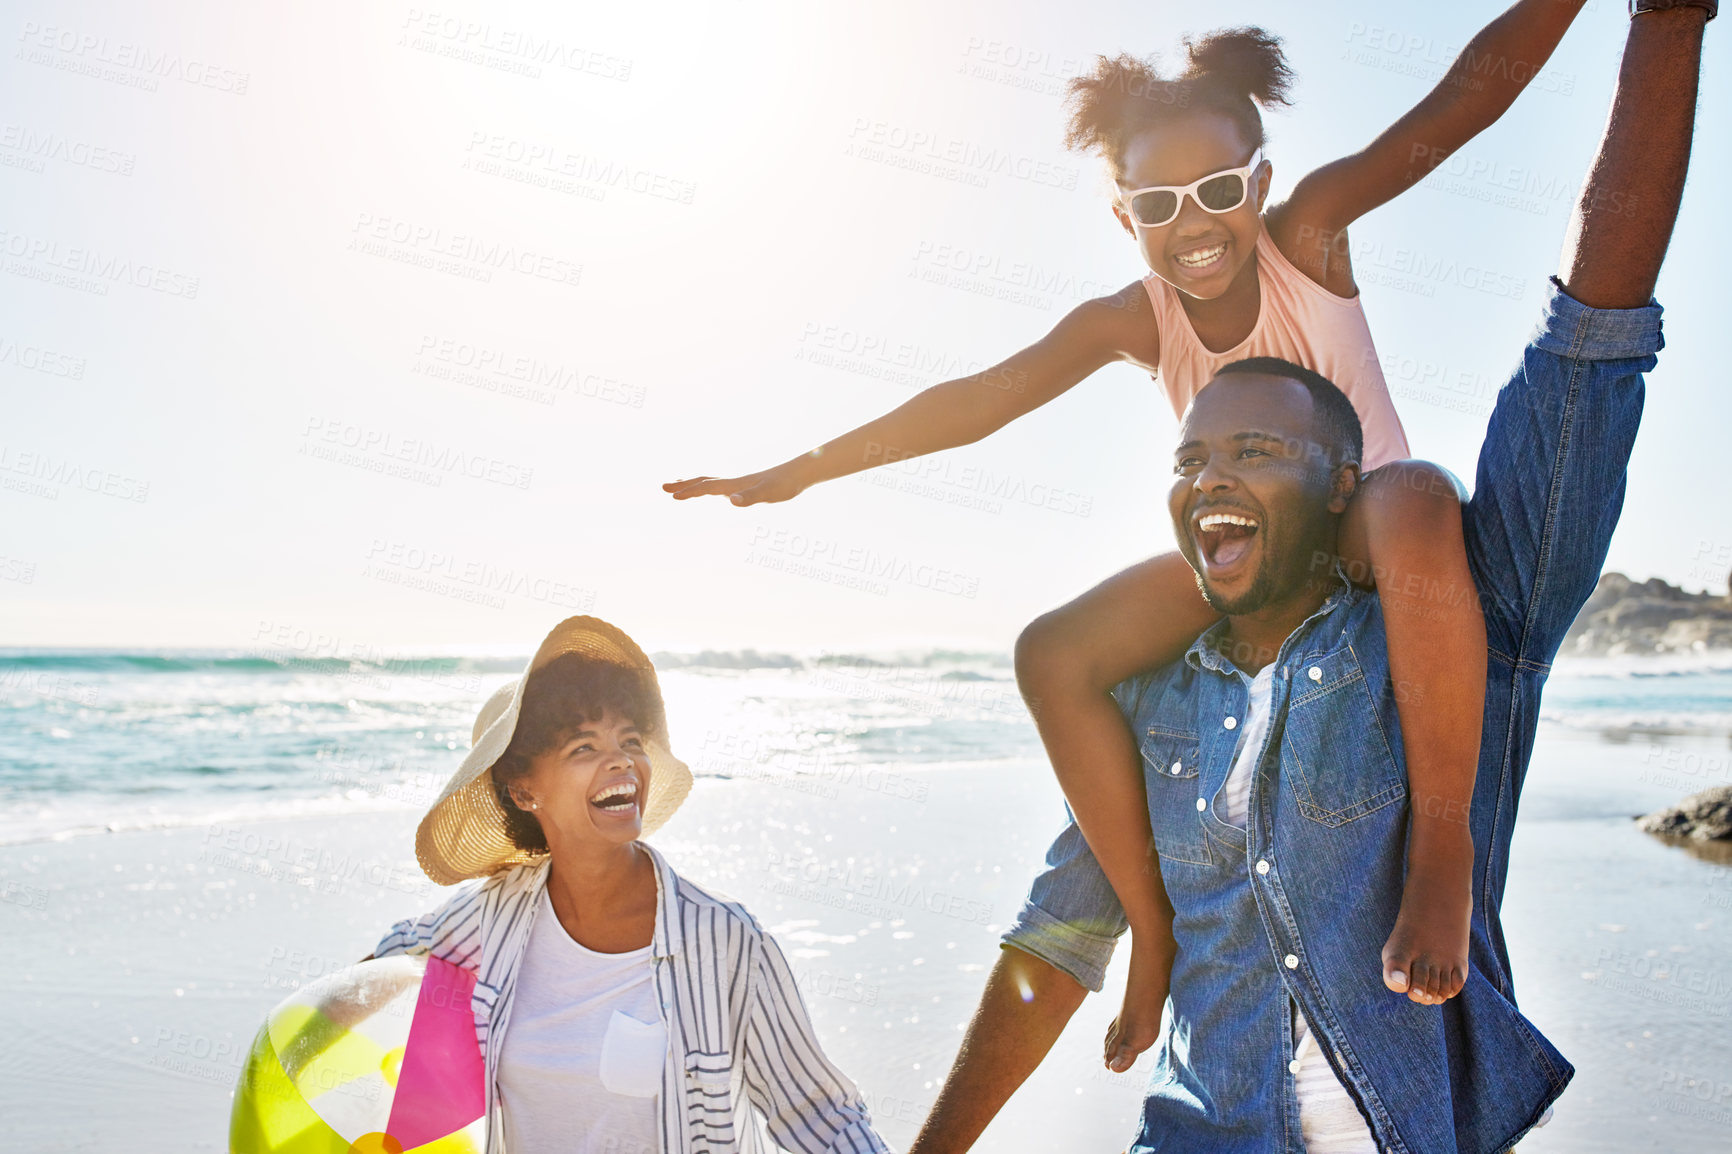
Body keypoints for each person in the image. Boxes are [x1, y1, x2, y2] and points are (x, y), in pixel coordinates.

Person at [666, 1, 1595, 1063]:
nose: (1192, 223)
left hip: (1371, 536)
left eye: (1215, 191)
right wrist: (804, 468)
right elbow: (981, 397)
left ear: (1256, 181)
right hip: (1260, 566)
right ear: (1124, 216)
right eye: (1159, 203)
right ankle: (1150, 934)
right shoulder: (1132, 316)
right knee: (1053, 651)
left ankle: (1443, 845)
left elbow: (1461, 104)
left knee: (1421, 492)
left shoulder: (1309, 235)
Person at [904, 4, 1713, 1151]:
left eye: (1255, 451)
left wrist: (1666, 23)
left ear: (1338, 486)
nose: (1210, 476)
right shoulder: (1159, 701)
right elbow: (1056, 938)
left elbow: (1592, 330)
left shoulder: (1459, 640)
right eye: (1191, 456)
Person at [366, 616, 891, 1154]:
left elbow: (819, 1115)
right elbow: (379, 972)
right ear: (524, 791)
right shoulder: (488, 918)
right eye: (583, 748)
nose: (621, 760)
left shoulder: (722, 939)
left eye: (631, 740)